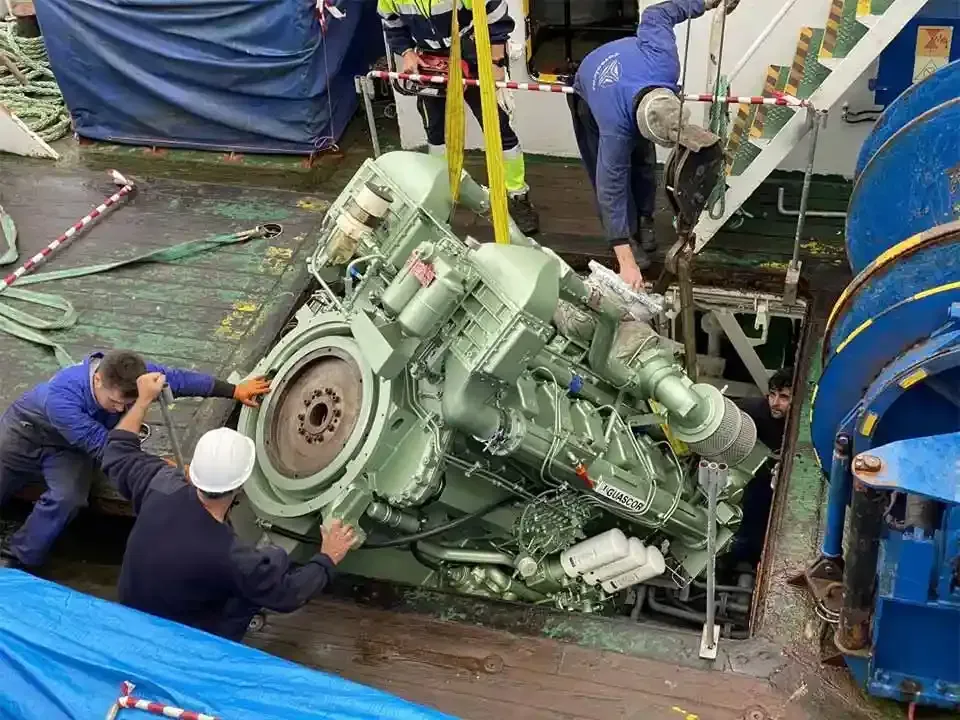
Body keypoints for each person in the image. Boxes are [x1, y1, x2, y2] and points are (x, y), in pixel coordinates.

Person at [101, 372, 357, 641]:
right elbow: (288, 594)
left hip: (131, 610)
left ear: (192, 472)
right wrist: (327, 558)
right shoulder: (232, 556)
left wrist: (143, 401)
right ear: (242, 482)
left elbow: (118, 451)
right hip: (179, 638)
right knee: (255, 586)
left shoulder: (160, 485)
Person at [0, 350, 270, 569]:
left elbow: (177, 379)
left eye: (126, 404)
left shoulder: (132, 373)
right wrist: (165, 466)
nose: (120, 409)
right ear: (97, 381)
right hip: (24, 434)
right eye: (115, 403)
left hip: (70, 451)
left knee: (68, 498)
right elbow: (108, 449)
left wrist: (233, 390)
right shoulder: (62, 399)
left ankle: (20, 556)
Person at [568, 0, 738, 288]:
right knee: (610, 171)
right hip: (589, 89)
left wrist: (706, 2)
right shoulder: (614, 128)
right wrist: (626, 263)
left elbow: (657, 13)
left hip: (630, 72)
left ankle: (645, 218)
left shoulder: (664, 61)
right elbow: (610, 189)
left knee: (644, 161)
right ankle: (628, 236)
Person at [377, 0, 540, 236]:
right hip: (431, 62)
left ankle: (517, 196)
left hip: (475, 55)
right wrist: (407, 52)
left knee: (498, 127)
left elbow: (497, 16)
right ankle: (442, 193)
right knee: (436, 135)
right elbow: (391, 22)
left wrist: (495, 64)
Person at [730, 367, 794, 567]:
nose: (775, 403)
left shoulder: (804, 426)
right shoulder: (754, 412)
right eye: (772, 395)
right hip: (758, 482)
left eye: (784, 397)